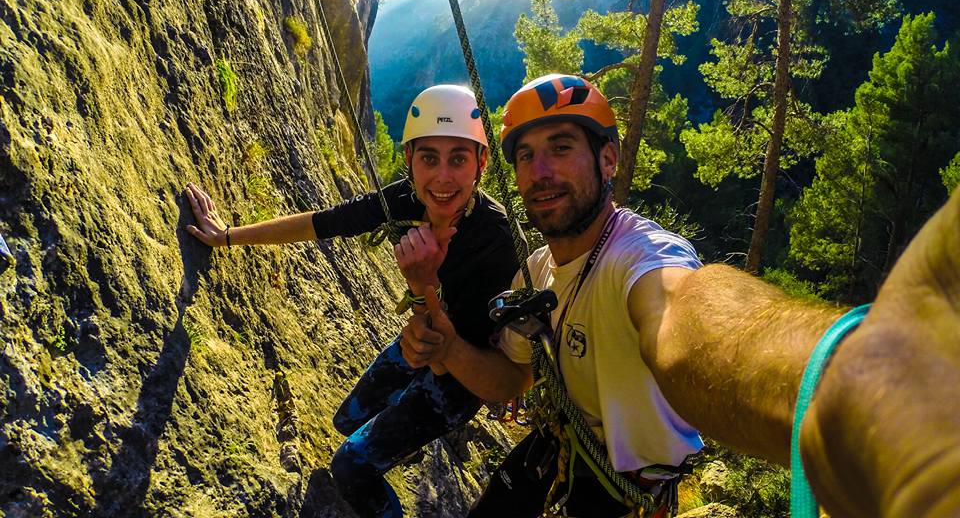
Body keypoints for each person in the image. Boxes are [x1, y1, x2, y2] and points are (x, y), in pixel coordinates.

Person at [399, 74, 960, 518]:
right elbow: (511, 380)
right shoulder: (537, 272)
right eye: (526, 156)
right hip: (559, 447)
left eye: (562, 147)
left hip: (625, 492)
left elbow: (685, 316)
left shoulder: (638, 258)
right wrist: (447, 346)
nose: (541, 171)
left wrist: (857, 386)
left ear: (608, 160)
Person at [185, 85, 520, 518]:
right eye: (428, 158)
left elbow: (444, 359)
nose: (442, 178)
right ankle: (401, 444)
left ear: (481, 162)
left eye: (458, 158)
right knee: (347, 421)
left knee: (350, 467)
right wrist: (227, 236)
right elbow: (323, 223)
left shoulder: (495, 244)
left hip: (459, 376)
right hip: (420, 341)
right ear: (409, 160)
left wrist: (423, 285)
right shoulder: (406, 198)